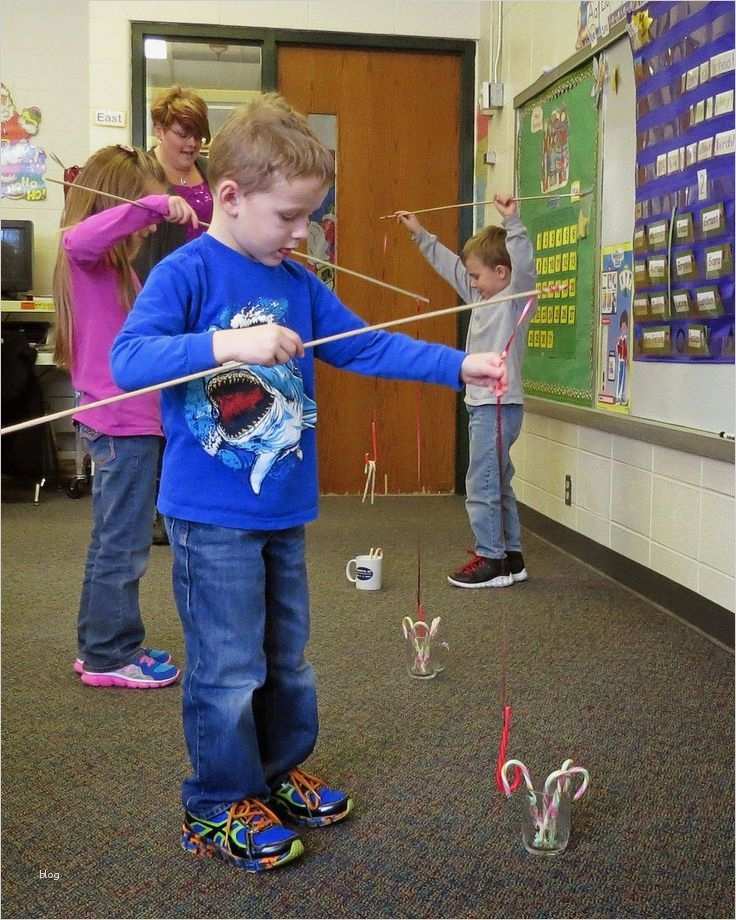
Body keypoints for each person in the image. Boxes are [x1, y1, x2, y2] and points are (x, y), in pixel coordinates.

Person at [110, 94, 508, 872]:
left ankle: (274, 774)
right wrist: (229, 341)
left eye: (311, 216)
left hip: (283, 508)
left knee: (286, 658)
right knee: (227, 666)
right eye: (291, 216)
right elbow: (129, 362)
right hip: (209, 515)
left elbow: (364, 347)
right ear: (229, 196)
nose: (304, 234)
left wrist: (458, 364)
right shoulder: (186, 270)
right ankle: (218, 803)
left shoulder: (295, 278)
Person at [52, 144, 198, 688]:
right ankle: (112, 655)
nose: (140, 224)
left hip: (126, 421)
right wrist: (154, 204)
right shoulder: (84, 252)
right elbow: (80, 235)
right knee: (125, 543)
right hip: (121, 423)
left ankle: (99, 646)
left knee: (114, 539)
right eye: (133, 207)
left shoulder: (115, 270)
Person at [395, 194, 536, 588]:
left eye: (478, 276)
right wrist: (420, 234)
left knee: (482, 482)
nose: (470, 282)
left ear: (503, 273)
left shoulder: (514, 299)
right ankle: (511, 557)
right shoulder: (482, 296)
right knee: (497, 480)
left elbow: (524, 267)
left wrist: (514, 223)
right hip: (483, 406)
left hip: (497, 406)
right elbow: (451, 268)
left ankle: (490, 559)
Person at [134, 85, 213, 544]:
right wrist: (158, 206)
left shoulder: (209, 173)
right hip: (158, 298)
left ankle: (188, 500)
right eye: (182, 134)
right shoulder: (143, 175)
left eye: (197, 135)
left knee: (197, 401)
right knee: (155, 409)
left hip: (204, 301)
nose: (190, 144)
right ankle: (155, 507)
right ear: (160, 129)